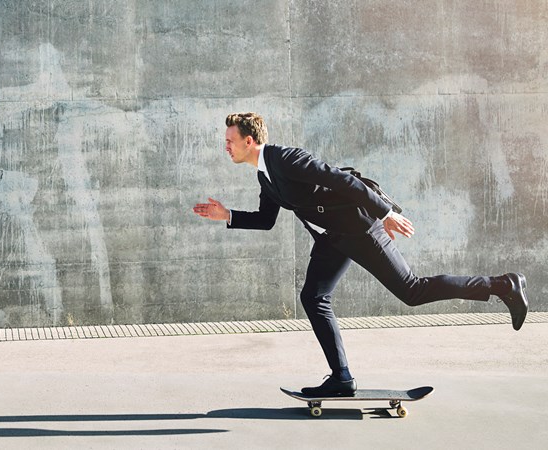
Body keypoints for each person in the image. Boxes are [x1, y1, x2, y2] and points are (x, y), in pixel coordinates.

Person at [193, 112, 529, 397]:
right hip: (332, 239)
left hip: (359, 229)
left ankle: (502, 285)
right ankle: (341, 378)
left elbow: (340, 180)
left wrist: (385, 214)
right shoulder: (265, 176)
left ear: (249, 141)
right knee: (313, 296)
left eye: (230, 141)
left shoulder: (285, 158)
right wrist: (228, 216)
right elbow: (266, 220)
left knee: (412, 291)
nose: (226, 146)